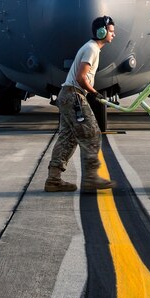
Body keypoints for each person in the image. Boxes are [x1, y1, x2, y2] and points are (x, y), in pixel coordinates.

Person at [45, 16, 117, 193]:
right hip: (73, 96)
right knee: (92, 134)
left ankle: (53, 180)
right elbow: (80, 77)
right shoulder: (92, 49)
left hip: (68, 95)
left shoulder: (91, 48)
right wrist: (95, 93)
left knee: (67, 138)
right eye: (111, 31)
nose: (113, 35)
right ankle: (91, 178)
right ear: (101, 32)